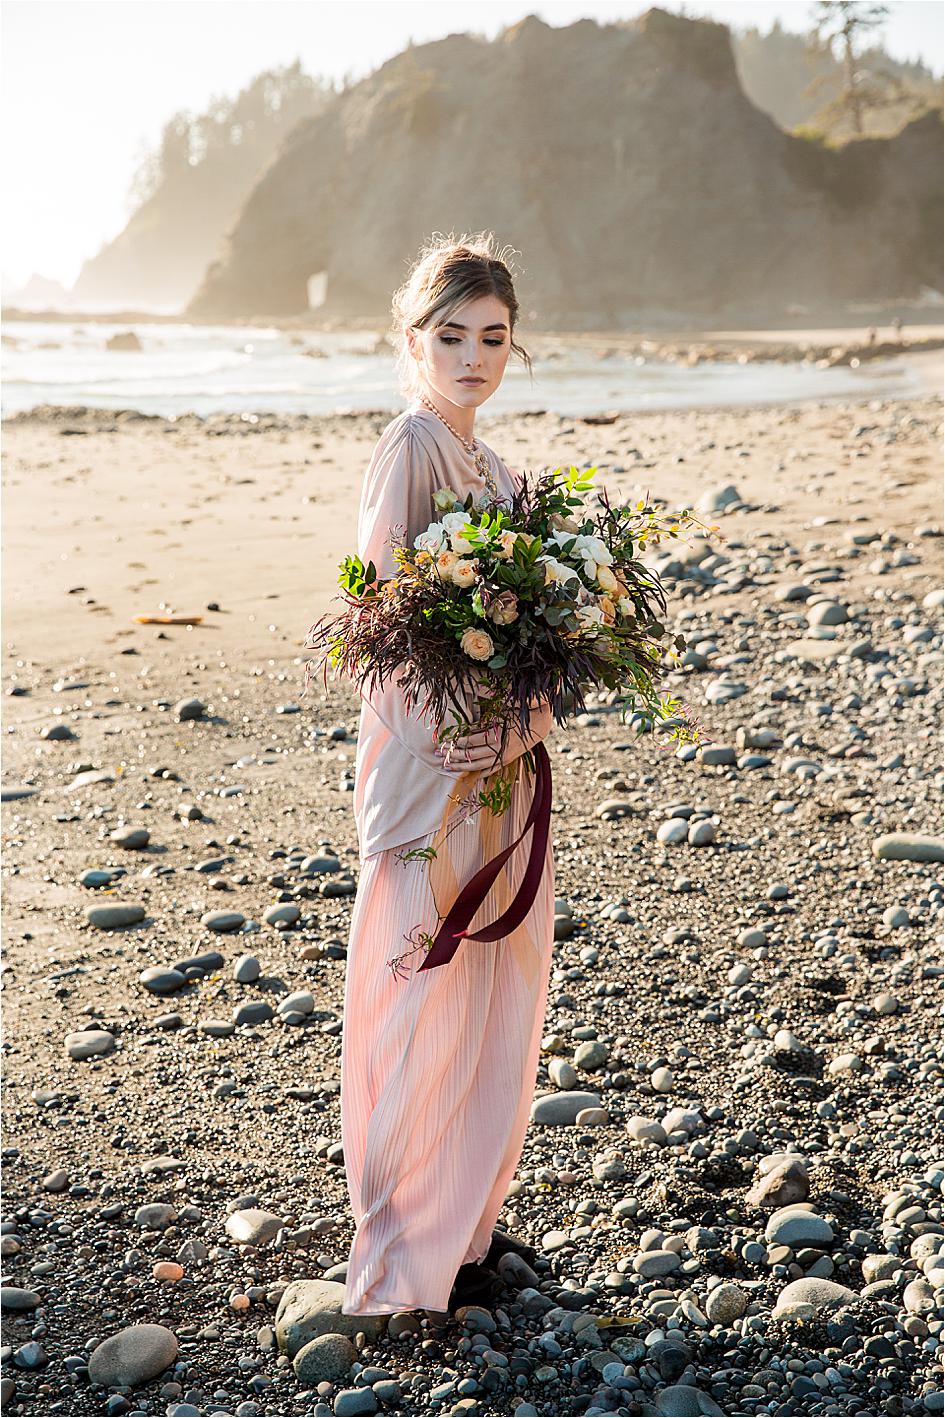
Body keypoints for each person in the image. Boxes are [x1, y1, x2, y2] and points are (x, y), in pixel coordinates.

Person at [339, 233, 556, 1328]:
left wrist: (529, 717)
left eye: (493, 336)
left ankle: (464, 1226)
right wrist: (459, 736)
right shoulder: (411, 447)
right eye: (451, 334)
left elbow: (541, 639)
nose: (472, 355)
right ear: (411, 339)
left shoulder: (504, 472)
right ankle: (398, 1255)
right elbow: (381, 624)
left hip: (501, 765)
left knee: (495, 994)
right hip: (434, 772)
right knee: (420, 997)